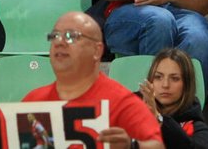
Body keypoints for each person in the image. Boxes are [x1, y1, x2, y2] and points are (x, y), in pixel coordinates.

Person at [22, 11, 164, 147]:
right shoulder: (33, 101)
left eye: (70, 36)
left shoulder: (122, 103)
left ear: (97, 50)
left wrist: (132, 146)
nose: (59, 43)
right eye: (55, 36)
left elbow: (156, 145)